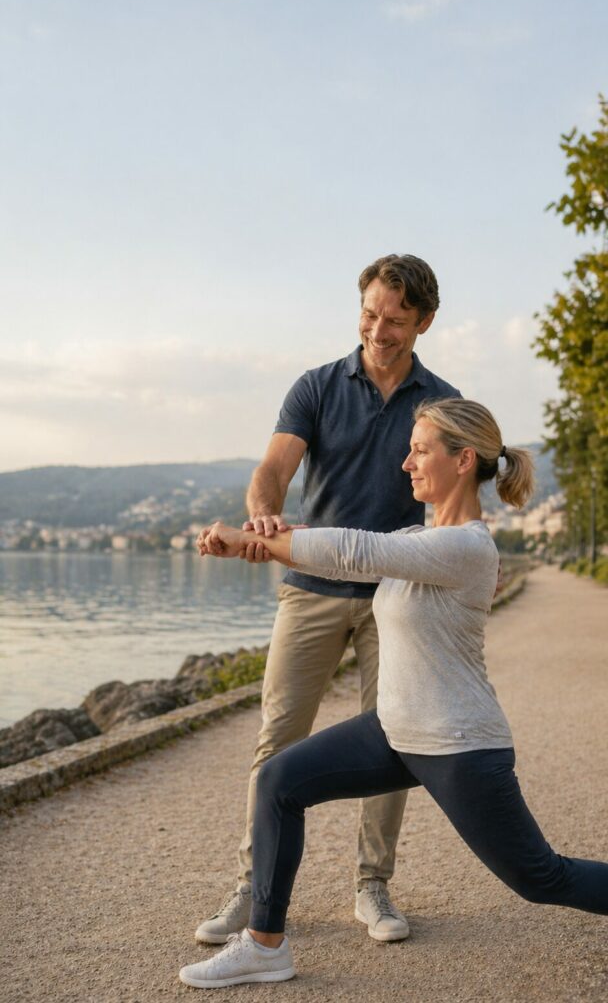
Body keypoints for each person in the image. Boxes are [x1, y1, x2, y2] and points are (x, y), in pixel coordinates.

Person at [180, 398, 608, 989]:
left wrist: (247, 539)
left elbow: (358, 549)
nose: (407, 463)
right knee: (279, 781)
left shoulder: (466, 547)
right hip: (394, 730)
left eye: (420, 450)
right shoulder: (420, 536)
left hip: (457, 743)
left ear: (463, 460)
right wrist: (266, 535)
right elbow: (346, 550)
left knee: (543, 880)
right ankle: (264, 945)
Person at [194, 254, 461, 948]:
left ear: (424, 323)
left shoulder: (440, 405)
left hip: (396, 601)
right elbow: (273, 470)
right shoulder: (316, 385)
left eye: (396, 321)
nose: (378, 330)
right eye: (370, 314)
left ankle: (373, 886)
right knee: (277, 740)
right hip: (311, 592)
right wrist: (262, 517)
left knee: (395, 741)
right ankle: (255, 888)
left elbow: (454, 503)